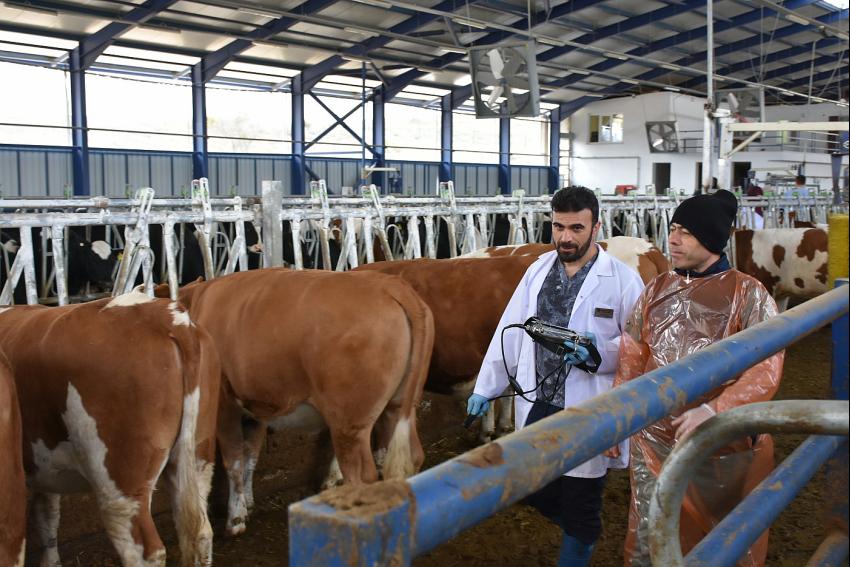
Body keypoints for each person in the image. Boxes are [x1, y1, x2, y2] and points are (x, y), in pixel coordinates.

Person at [467, 186, 644, 566]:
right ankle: (583, 532)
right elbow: (509, 331)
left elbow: (638, 347)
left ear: (596, 227)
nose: (566, 237)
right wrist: (486, 387)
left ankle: (580, 539)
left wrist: (599, 354)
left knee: (581, 499)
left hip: (589, 408)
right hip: (539, 401)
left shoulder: (623, 280)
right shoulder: (537, 271)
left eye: (576, 228)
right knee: (527, 486)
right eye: (559, 227)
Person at [610, 190, 784, 567]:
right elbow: (633, 353)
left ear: (711, 239)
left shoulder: (748, 294)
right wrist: (618, 415)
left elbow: (766, 366)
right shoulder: (655, 290)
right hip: (654, 436)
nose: (672, 239)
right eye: (672, 228)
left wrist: (716, 410)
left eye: (685, 232)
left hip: (718, 444)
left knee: (720, 537)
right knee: (650, 530)